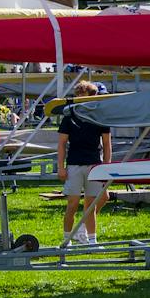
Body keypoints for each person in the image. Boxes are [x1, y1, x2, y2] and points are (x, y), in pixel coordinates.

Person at [56, 82, 112, 245]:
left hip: (94, 164)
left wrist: (106, 166)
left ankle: (92, 240)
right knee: (72, 204)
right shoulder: (69, 117)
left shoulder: (100, 117)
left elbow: (107, 143)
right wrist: (61, 167)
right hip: (74, 164)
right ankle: (67, 240)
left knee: (91, 205)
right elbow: (61, 144)